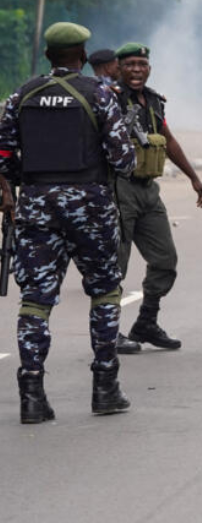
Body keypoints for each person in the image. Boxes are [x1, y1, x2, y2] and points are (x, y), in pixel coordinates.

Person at [0, 22, 138, 423]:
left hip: (37, 207)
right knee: (105, 294)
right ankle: (105, 388)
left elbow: (4, 156)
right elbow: (124, 162)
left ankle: (31, 395)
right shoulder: (99, 95)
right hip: (90, 207)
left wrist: (12, 191)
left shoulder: (20, 96)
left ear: (47, 56)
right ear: (82, 54)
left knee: (36, 301)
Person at [109, 43, 202, 355]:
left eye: (142, 64)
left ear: (149, 68)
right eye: (130, 64)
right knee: (115, 266)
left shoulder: (153, 100)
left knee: (165, 260)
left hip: (148, 190)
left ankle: (146, 322)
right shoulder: (108, 98)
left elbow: (167, 139)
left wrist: (194, 176)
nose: (136, 70)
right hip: (118, 189)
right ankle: (108, 332)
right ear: (118, 68)